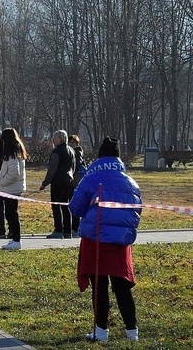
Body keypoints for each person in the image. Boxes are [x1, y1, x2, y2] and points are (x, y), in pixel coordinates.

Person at [69, 137, 142, 342]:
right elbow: (137, 212)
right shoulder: (131, 182)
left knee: (99, 285)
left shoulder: (91, 178)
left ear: (100, 155)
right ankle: (132, 331)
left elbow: (75, 208)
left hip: (95, 239)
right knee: (122, 286)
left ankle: (100, 330)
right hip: (120, 242)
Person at [39, 130, 76, 238]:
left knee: (56, 206)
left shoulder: (57, 152)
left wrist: (45, 183)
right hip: (68, 181)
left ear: (60, 139)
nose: (53, 140)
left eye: (54, 138)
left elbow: (52, 169)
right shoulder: (71, 151)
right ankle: (68, 231)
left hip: (57, 182)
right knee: (65, 205)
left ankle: (58, 230)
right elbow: (73, 167)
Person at [0, 128, 27, 250]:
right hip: (13, 188)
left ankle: (16, 240)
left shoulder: (12, 153)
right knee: (11, 213)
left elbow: (14, 172)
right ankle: (14, 238)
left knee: (11, 214)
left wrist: (2, 182)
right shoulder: (16, 151)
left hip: (11, 189)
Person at [68, 134, 85, 237]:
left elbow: (77, 165)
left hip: (76, 182)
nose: (70, 144)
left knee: (74, 204)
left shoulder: (77, 152)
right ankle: (74, 227)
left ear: (76, 143)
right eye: (69, 142)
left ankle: (75, 228)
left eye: (72, 142)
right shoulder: (76, 152)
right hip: (75, 181)